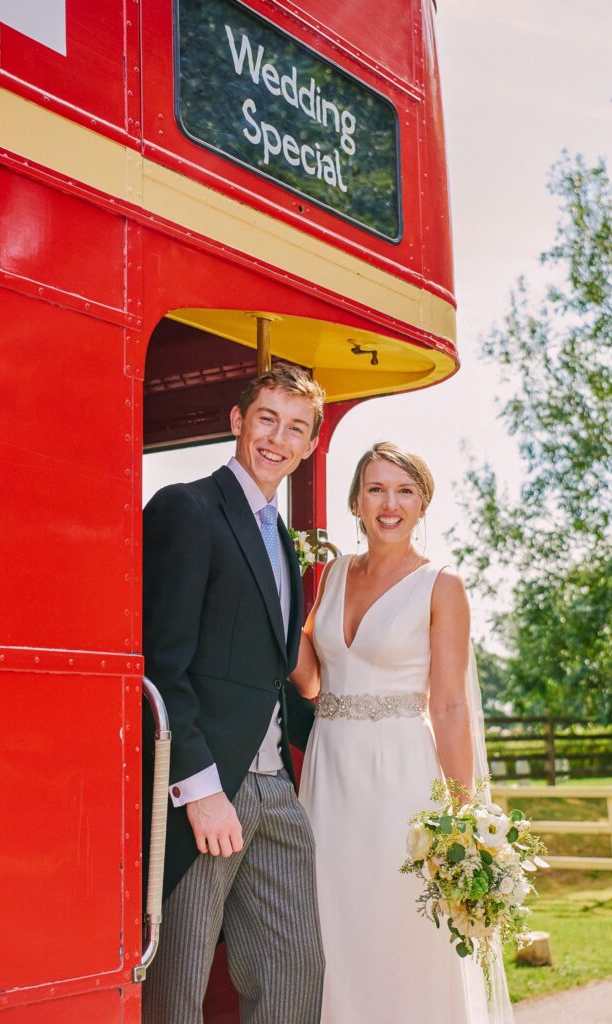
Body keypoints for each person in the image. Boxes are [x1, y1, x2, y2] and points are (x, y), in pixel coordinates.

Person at [294, 442, 513, 1024]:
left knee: (400, 925)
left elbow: (448, 704)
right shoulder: (334, 573)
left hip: (401, 775)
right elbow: (313, 680)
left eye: (403, 491)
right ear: (357, 503)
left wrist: (466, 816)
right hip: (330, 768)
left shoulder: (442, 583)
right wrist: (281, 604)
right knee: (331, 922)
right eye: (375, 490)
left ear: (422, 504)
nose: (388, 503)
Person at [141, 364, 326, 1024]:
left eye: (295, 427)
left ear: (308, 446)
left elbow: (276, 672)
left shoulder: (280, 536)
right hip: (206, 796)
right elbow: (163, 666)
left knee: (294, 970)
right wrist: (200, 790)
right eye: (266, 419)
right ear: (236, 422)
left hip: (275, 789)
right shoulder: (184, 508)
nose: (277, 438)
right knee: (178, 987)